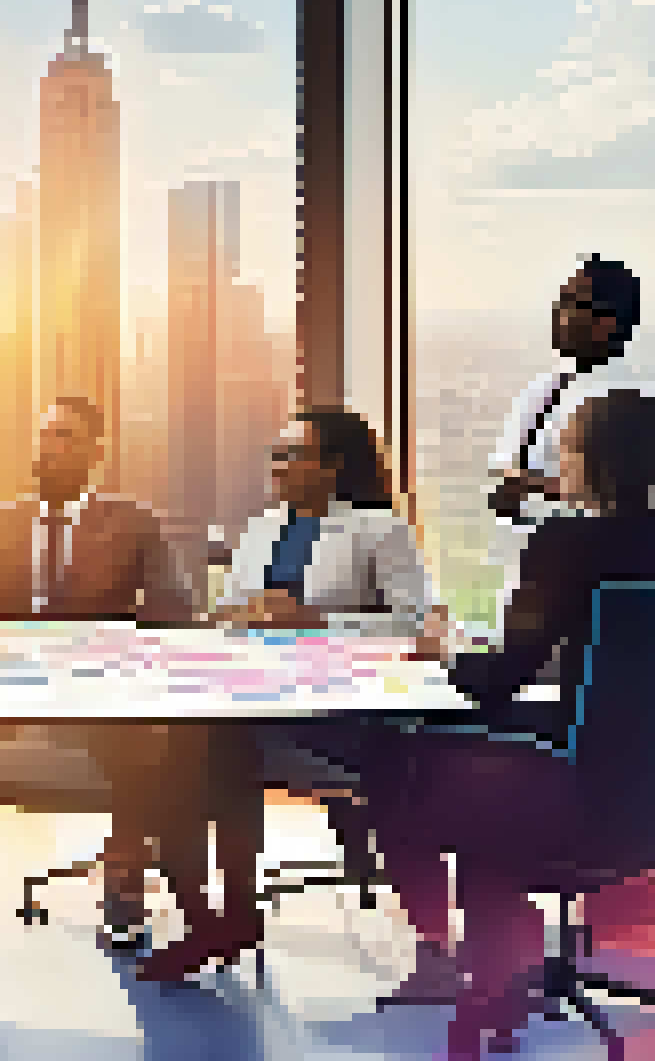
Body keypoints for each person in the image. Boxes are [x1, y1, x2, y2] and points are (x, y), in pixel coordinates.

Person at [378, 389, 655, 1056]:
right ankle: (507, 964)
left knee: (420, 766)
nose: (559, 462)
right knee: (478, 778)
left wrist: (447, 656)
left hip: (583, 778)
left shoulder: (565, 540)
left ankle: (497, 970)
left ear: (591, 461)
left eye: (566, 449)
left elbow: (506, 674)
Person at [134, 406, 444, 983]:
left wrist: (317, 620)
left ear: (333, 464)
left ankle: (232, 918)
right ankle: (211, 917)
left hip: (338, 708)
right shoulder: (260, 528)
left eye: (290, 455)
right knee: (175, 759)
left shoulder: (380, 529)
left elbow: (416, 623)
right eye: (276, 454)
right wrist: (228, 617)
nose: (276, 466)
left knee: (206, 753)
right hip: (253, 696)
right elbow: (239, 610)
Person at [0, 396, 200, 964]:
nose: (48, 447)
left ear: (95, 451)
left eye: (63, 436)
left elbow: (174, 608)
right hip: (7, 680)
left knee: (140, 748)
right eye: (43, 436)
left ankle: (125, 891)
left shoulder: (133, 521)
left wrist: (126, 640)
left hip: (96, 684)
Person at [486, 256, 655, 548]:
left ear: (604, 322)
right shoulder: (543, 392)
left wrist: (539, 486)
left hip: (612, 569)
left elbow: (636, 496)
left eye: (571, 303)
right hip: (534, 565)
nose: (558, 313)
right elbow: (509, 481)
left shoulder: (645, 402)